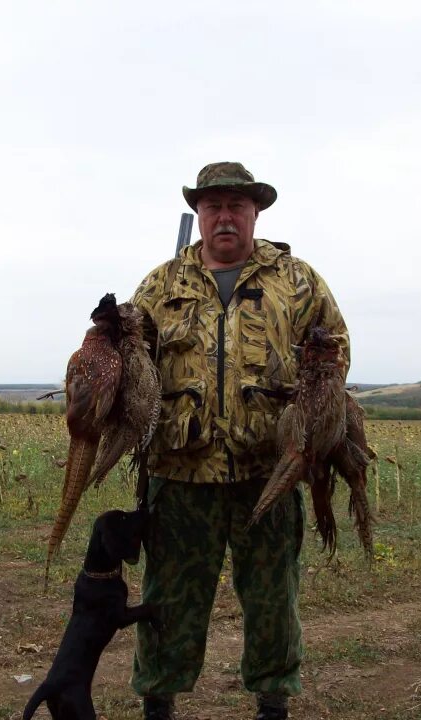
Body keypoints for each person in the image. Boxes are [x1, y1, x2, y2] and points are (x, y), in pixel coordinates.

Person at [129, 162, 350, 720]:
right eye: (213, 206)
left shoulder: (296, 280)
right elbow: (134, 361)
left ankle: (272, 703)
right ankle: (159, 703)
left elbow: (337, 348)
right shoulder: (160, 284)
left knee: (273, 598)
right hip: (180, 477)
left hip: (267, 471)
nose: (225, 216)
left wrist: (313, 420)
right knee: (168, 603)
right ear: (199, 214)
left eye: (236, 206)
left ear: (256, 212)